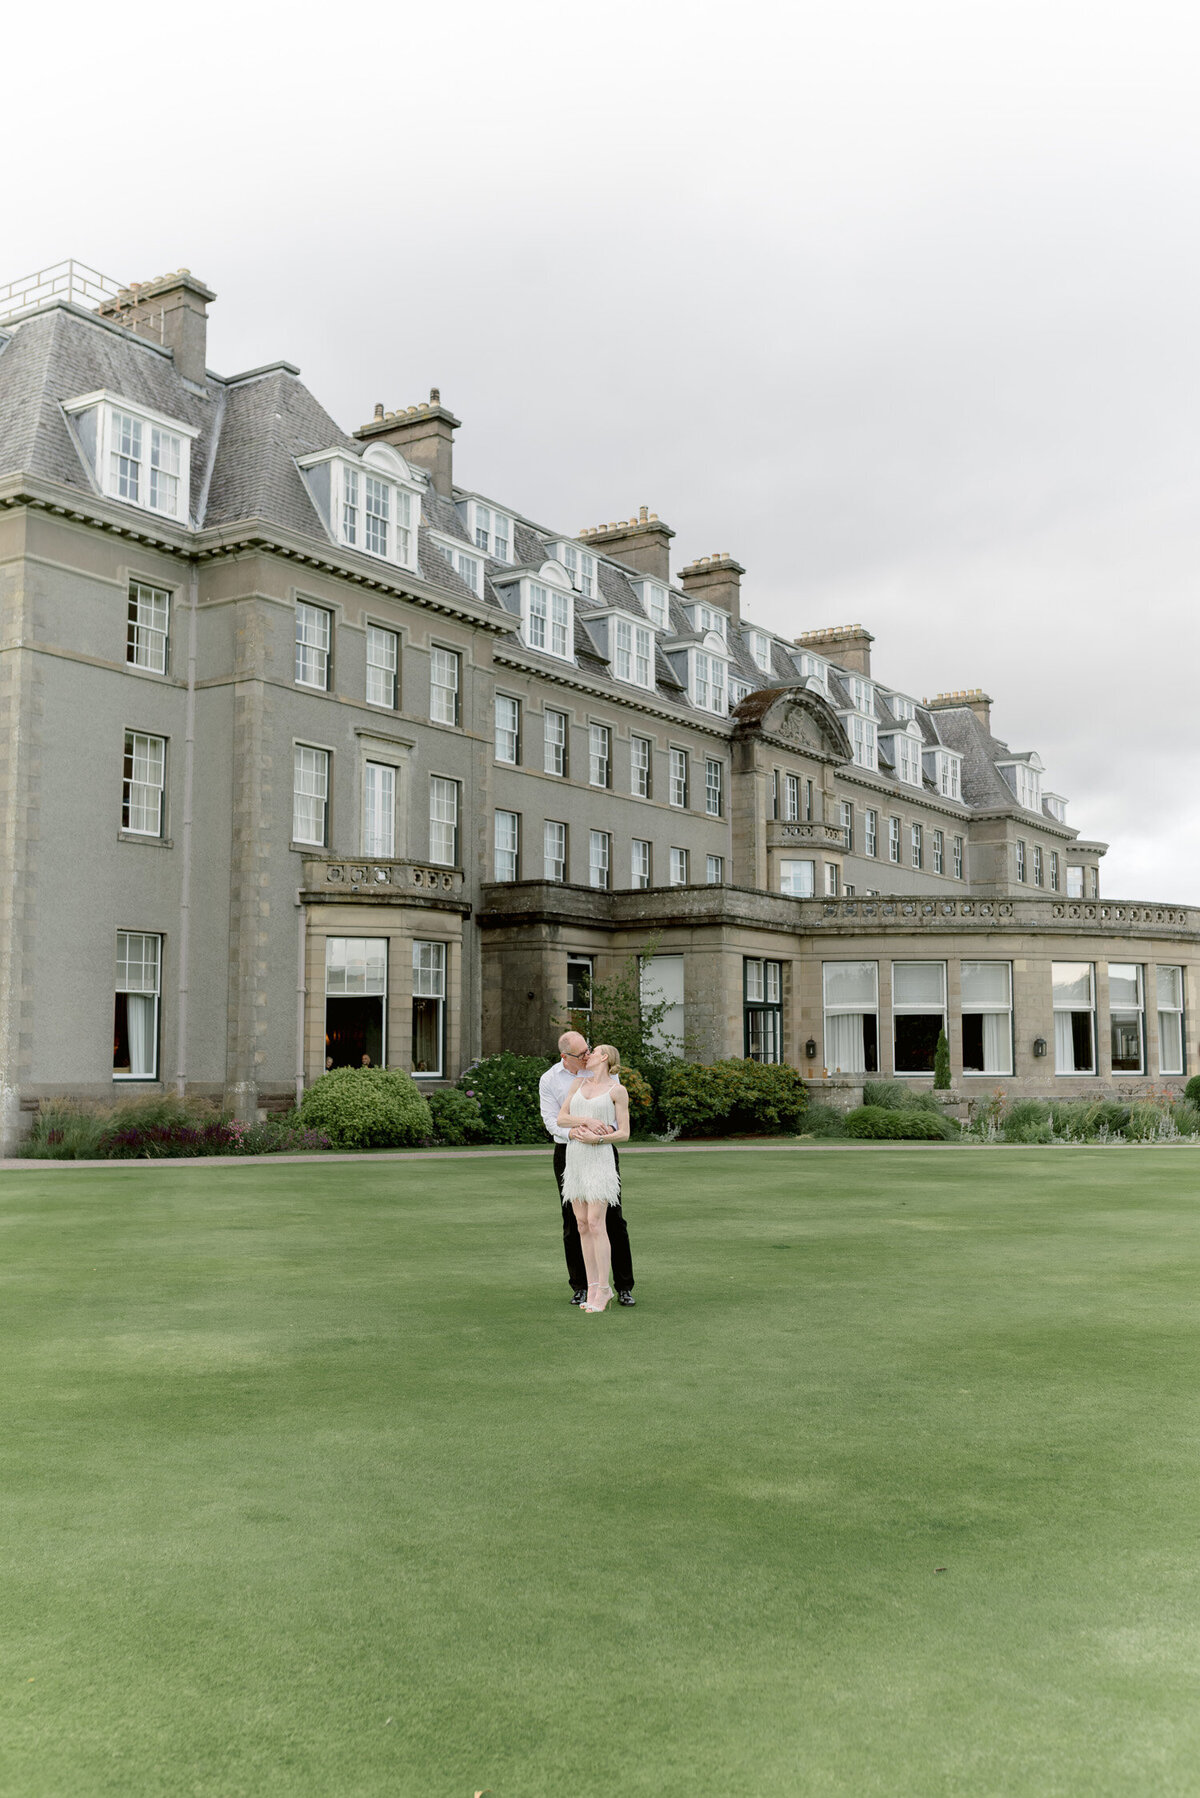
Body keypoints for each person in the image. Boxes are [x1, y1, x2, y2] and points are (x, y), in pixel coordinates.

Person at [539, 1031, 636, 1306]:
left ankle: (623, 1286)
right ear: (565, 1056)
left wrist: (602, 1133)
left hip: (601, 1151)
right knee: (575, 1223)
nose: (586, 1056)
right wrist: (580, 1130)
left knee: (612, 1220)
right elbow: (553, 1121)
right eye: (580, 1054)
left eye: (588, 1051)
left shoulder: (610, 1080)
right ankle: (582, 1286)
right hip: (568, 1151)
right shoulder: (550, 1079)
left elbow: (615, 1118)